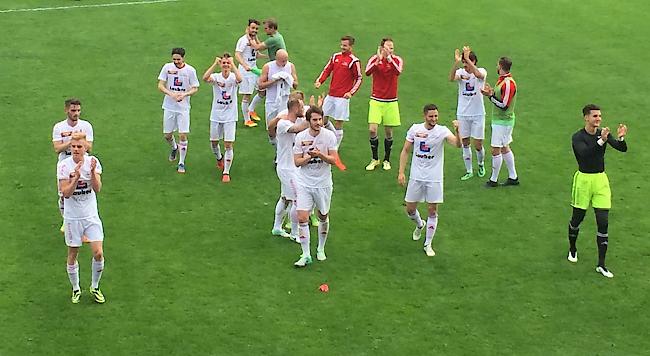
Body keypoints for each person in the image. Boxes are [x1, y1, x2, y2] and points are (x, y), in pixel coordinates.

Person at [567, 104, 627, 278]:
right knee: (577, 218)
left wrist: (621, 138)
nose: (598, 119)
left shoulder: (603, 134)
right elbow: (585, 154)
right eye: (595, 116)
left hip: (600, 180)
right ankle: (572, 248)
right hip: (584, 180)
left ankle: (601, 264)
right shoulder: (578, 137)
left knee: (603, 222)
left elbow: (621, 148)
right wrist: (601, 140)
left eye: (599, 116)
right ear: (586, 117)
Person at [398, 104, 461, 257]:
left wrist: (458, 131)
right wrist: (401, 172)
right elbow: (406, 150)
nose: (434, 119)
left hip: (434, 177)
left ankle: (428, 243)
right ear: (424, 116)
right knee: (410, 209)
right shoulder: (415, 129)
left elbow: (458, 145)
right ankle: (420, 224)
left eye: (436, 116)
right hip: (416, 175)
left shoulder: (442, 131)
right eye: (431, 116)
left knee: (433, 210)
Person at [57, 133, 106, 304]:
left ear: (85, 147)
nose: (76, 149)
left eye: (80, 146)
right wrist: (76, 178)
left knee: (98, 253)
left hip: (91, 215)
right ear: (70, 148)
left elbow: (97, 188)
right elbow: (66, 193)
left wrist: (92, 172)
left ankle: (95, 286)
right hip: (72, 218)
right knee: (73, 253)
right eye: (74, 146)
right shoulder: (64, 166)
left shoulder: (93, 162)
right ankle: (76, 288)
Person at [292, 106, 338, 267]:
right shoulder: (300, 137)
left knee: (323, 216)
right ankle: (305, 254)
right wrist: (307, 157)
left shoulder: (329, 136)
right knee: (302, 217)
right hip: (304, 182)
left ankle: (320, 248)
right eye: (315, 120)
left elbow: (334, 160)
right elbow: (296, 162)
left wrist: (320, 155)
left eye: (320, 119)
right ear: (308, 121)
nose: (318, 123)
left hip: (323, 183)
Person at [314, 35, 362, 167]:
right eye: (342, 45)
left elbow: (359, 78)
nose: (342, 47)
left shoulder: (354, 61)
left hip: (342, 97)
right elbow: (327, 69)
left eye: (345, 45)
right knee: (323, 119)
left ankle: (335, 147)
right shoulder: (335, 57)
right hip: (331, 94)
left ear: (351, 46)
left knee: (338, 123)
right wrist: (320, 81)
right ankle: (325, 141)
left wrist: (350, 92)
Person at [268, 96, 310, 240]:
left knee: (285, 198)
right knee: (297, 199)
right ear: (295, 108)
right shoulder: (283, 124)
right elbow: (298, 128)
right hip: (286, 168)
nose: (303, 109)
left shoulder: (295, 120)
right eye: (302, 107)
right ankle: (294, 233)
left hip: (291, 168)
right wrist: (312, 117)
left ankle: (277, 227)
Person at [52, 98, 94, 232]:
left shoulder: (86, 126)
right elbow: (57, 148)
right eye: (73, 110)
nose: (76, 113)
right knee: (63, 193)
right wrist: (72, 140)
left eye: (78, 110)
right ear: (66, 110)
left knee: (83, 190)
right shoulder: (59, 127)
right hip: (65, 161)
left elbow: (90, 148)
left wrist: (80, 140)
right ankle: (66, 219)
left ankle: (85, 220)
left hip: (82, 160)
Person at [157, 47, 200, 174]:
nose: (176, 62)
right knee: (167, 135)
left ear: (183, 58)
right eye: (174, 59)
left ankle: (181, 162)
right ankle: (174, 147)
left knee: (182, 134)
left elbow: (195, 88)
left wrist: (185, 95)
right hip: (169, 106)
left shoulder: (190, 70)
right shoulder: (167, 68)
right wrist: (170, 94)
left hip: (183, 108)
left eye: (178, 59)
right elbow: (160, 85)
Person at [364, 37, 403, 171]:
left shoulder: (397, 60)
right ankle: (375, 158)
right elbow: (367, 72)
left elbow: (398, 71)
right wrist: (379, 60)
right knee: (372, 129)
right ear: (382, 48)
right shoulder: (374, 59)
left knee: (388, 132)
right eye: (387, 47)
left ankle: (387, 159)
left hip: (391, 102)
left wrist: (389, 59)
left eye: (392, 48)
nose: (390, 50)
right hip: (376, 100)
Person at [203, 53, 242, 183]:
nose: (226, 65)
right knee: (214, 142)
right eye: (224, 63)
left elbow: (240, 79)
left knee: (228, 144)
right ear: (221, 65)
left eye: (227, 63)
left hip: (230, 116)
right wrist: (215, 64)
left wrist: (234, 64)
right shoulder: (216, 77)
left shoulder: (233, 77)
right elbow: (205, 78)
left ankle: (226, 172)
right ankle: (219, 158)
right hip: (216, 114)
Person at [449, 46, 487, 180]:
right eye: (464, 63)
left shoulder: (481, 71)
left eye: (467, 62)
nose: (465, 66)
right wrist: (457, 62)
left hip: (478, 113)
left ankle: (481, 164)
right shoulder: (461, 72)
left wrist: (467, 59)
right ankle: (469, 170)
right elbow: (451, 78)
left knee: (478, 144)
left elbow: (478, 75)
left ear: (474, 61)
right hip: (463, 113)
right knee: (465, 142)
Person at [480, 56, 518, 187]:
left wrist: (490, 96)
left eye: (497, 65)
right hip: (501, 121)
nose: (496, 67)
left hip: (503, 121)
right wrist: (491, 92)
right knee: (505, 147)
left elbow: (504, 105)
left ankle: (493, 180)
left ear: (501, 66)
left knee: (496, 150)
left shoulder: (508, 83)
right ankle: (513, 177)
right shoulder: (503, 81)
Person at [248, 17, 287, 121]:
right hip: (276, 66)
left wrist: (249, 37)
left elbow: (257, 47)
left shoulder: (274, 39)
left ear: (272, 28)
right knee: (264, 90)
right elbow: (261, 44)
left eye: (266, 28)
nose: (264, 30)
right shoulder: (276, 37)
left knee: (272, 90)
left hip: (277, 68)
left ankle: (276, 115)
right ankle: (251, 109)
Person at [258, 49, 298, 140]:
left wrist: (288, 79)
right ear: (276, 59)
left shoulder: (290, 66)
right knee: (271, 127)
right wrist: (274, 81)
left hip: (285, 101)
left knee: (284, 127)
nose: (284, 63)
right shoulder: (268, 67)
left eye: (286, 60)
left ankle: (281, 149)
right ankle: (275, 146)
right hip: (271, 101)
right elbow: (260, 85)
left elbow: (295, 85)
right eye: (282, 61)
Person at [235, 19, 264, 128]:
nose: (255, 30)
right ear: (248, 28)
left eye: (256, 29)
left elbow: (256, 53)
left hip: (254, 69)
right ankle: (247, 120)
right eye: (253, 28)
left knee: (262, 90)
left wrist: (266, 57)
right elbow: (237, 54)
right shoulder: (243, 40)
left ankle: (251, 110)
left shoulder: (253, 40)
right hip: (246, 72)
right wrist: (244, 65)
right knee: (247, 95)